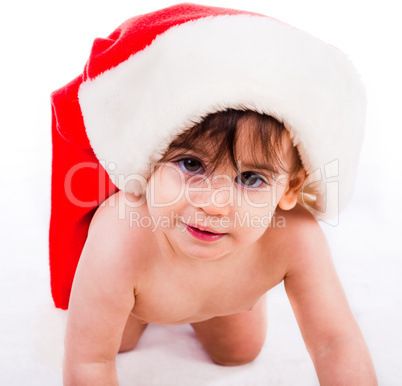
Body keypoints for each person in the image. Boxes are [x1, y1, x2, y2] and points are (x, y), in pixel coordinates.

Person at [50, 4, 377, 385]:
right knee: (116, 341)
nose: (213, 203)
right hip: (141, 297)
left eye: (251, 178)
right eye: (190, 165)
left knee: (239, 352)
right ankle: (136, 313)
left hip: (228, 297)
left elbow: (335, 343)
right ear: (150, 158)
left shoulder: (295, 238)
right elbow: (89, 364)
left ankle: (214, 307)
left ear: (290, 188)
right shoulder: (121, 236)